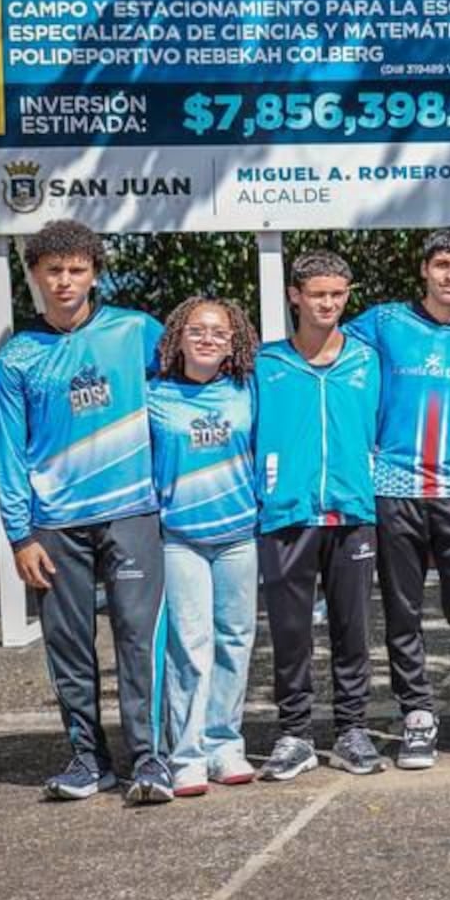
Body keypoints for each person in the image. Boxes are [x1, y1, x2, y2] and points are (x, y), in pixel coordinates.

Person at [0, 221, 170, 804]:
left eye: (77, 270)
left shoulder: (136, 331)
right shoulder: (17, 357)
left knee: (139, 638)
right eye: (53, 271)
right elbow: (9, 453)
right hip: (54, 526)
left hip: (132, 512)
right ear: (35, 275)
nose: (65, 281)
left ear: (95, 273)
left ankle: (150, 759)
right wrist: (20, 535)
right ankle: (89, 761)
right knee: (68, 645)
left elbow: (186, 394)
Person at [348, 228, 450, 768]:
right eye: (441, 264)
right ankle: (416, 715)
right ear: (424, 269)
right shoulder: (385, 322)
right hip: (394, 487)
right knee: (402, 611)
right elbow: (330, 356)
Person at [253, 249, 384, 780]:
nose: (327, 304)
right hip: (287, 514)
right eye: (317, 295)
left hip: (353, 512)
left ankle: (352, 730)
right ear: (295, 296)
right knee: (290, 634)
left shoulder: (367, 361)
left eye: (336, 295)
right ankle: (295, 734)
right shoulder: (266, 364)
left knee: (353, 630)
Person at [150, 297, 262, 796]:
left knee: (235, 642)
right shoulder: (153, 395)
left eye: (219, 331)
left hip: (239, 536)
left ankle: (224, 745)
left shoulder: (247, 390)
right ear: (178, 337)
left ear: (234, 342)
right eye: (197, 330)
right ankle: (187, 754)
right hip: (180, 539)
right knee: (190, 647)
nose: (208, 338)